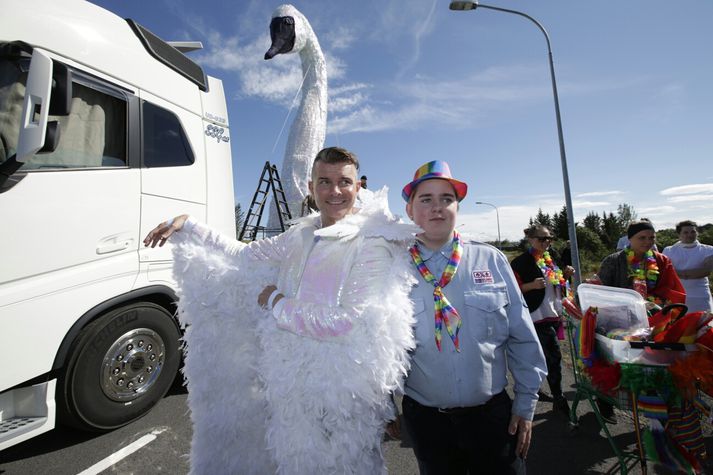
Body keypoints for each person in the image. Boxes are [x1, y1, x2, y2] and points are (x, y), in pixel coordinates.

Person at [144, 147, 418, 474]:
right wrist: (190, 227)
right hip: (289, 378)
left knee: (346, 464)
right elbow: (244, 255)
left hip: (340, 388)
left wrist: (276, 302)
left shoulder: (372, 243)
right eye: (325, 182)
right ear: (310, 187)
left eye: (344, 182)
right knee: (295, 461)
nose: (335, 191)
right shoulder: (298, 235)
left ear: (358, 187)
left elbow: (347, 322)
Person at [399, 160, 547, 475]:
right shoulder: (391, 267)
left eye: (446, 199)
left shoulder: (491, 260)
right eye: (426, 199)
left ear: (458, 208)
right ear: (410, 210)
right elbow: (377, 346)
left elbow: (521, 335)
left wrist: (526, 403)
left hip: (493, 419)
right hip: (427, 422)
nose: (437, 207)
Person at [597, 219, 686, 424]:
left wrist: (657, 303)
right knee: (612, 364)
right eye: (642, 238)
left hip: (653, 322)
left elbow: (674, 291)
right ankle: (606, 402)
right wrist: (629, 303)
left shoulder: (661, 260)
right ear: (630, 239)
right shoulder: (614, 260)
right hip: (616, 324)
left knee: (650, 364)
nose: (648, 241)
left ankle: (655, 413)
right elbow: (601, 292)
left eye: (652, 237)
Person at [511, 225, 574, 419]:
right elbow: (511, 289)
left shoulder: (550, 257)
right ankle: (559, 397)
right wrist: (530, 285)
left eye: (550, 238)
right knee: (553, 355)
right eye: (542, 239)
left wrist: (566, 276)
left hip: (553, 312)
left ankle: (532, 390)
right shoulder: (520, 262)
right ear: (530, 239)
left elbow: (555, 282)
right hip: (536, 315)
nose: (547, 242)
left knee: (538, 356)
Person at [663, 220, 713, 312]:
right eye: (685, 232)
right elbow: (666, 272)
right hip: (678, 295)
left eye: (693, 232)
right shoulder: (669, 250)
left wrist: (678, 274)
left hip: (701, 296)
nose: (690, 235)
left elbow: (705, 271)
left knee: (703, 324)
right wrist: (690, 274)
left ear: (697, 232)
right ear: (679, 234)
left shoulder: (708, 250)